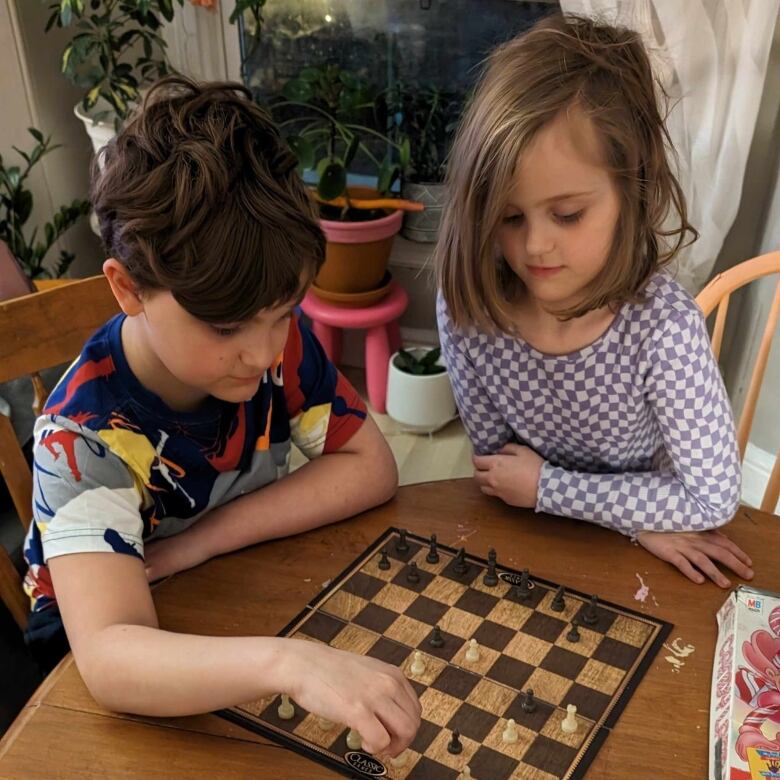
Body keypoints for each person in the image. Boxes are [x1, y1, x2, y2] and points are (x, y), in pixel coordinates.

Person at [22, 77, 420, 756]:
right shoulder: (80, 438)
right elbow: (110, 660)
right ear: (128, 288)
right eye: (228, 326)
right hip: (112, 686)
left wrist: (202, 541)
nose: (264, 352)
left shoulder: (270, 343)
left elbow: (370, 468)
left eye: (280, 315)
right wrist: (287, 663)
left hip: (232, 601)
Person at [435, 14, 753, 589]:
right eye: (508, 217)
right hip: (543, 549)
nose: (533, 245)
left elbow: (712, 499)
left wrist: (553, 492)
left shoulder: (664, 327)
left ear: (633, 190)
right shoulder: (469, 312)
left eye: (567, 214)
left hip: (638, 559)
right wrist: (638, 515)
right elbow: (499, 475)